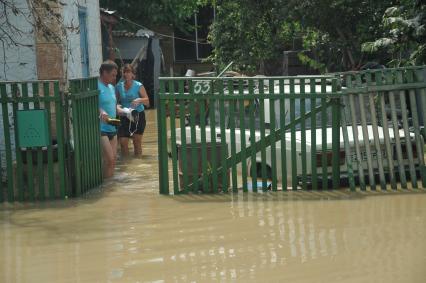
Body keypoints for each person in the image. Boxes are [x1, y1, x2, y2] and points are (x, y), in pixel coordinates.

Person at [116, 64, 150, 157]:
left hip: (137, 115)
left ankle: (138, 164)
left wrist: (139, 100)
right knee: (123, 143)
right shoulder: (118, 86)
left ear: (133, 74)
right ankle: (127, 164)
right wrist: (118, 108)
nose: (126, 74)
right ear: (122, 74)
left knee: (136, 142)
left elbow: (147, 101)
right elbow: (115, 102)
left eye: (128, 72)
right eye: (125, 72)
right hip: (124, 116)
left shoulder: (139, 86)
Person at [98, 60, 119, 178]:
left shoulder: (112, 87)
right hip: (101, 128)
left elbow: (114, 106)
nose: (115, 78)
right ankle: (105, 185)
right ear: (104, 72)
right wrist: (100, 110)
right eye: (113, 75)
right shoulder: (96, 86)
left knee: (113, 161)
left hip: (113, 125)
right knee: (110, 159)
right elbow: (90, 104)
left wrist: (127, 112)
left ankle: (109, 186)